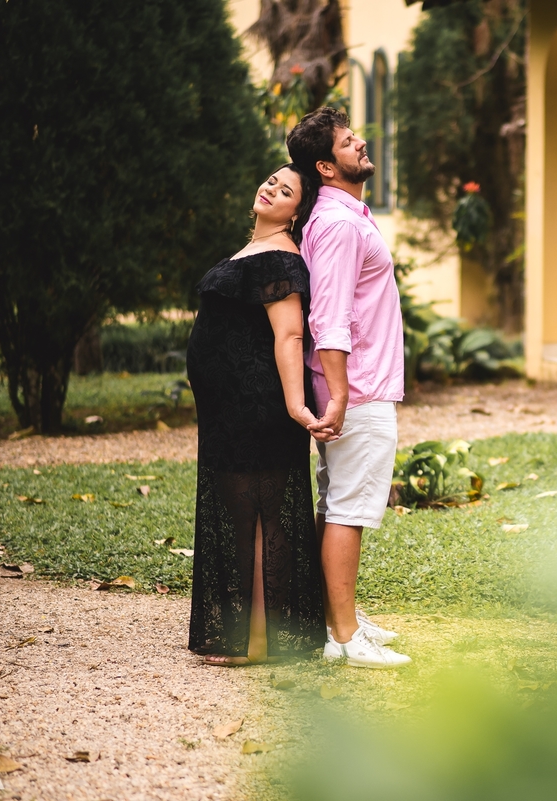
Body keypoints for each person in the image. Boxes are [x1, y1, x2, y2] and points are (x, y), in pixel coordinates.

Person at [186, 164, 329, 666]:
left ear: (296, 212)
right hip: (228, 412)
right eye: (271, 180)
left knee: (262, 517)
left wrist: (295, 405)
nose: (271, 189)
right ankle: (251, 634)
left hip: (258, 405)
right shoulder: (253, 249)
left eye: (285, 190)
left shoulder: (281, 260)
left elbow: (289, 335)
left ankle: (258, 640)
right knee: (240, 512)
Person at [286, 107, 410, 668]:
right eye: (347, 141)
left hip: (356, 386)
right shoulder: (337, 225)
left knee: (338, 503)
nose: (361, 143)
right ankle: (341, 637)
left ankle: (337, 620)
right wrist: (338, 395)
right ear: (325, 166)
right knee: (349, 511)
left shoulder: (345, 215)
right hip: (355, 389)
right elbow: (328, 318)